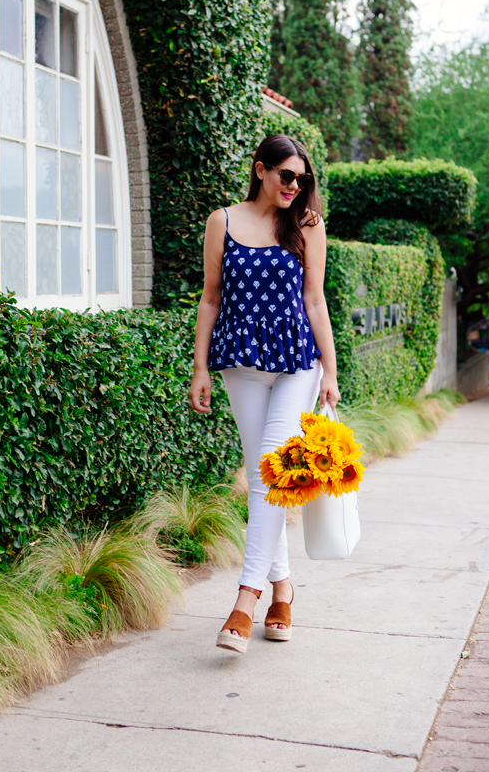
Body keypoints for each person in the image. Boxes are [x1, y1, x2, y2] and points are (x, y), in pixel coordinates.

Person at [188, 134, 341, 654]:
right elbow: (210, 299)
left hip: (298, 362)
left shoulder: (308, 225)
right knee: (262, 476)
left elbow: (315, 301)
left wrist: (331, 372)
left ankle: (245, 599)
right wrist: (199, 367)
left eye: (303, 180)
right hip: (240, 364)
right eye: (286, 176)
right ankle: (283, 589)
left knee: (271, 471)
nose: (295, 187)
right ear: (260, 170)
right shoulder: (222, 222)